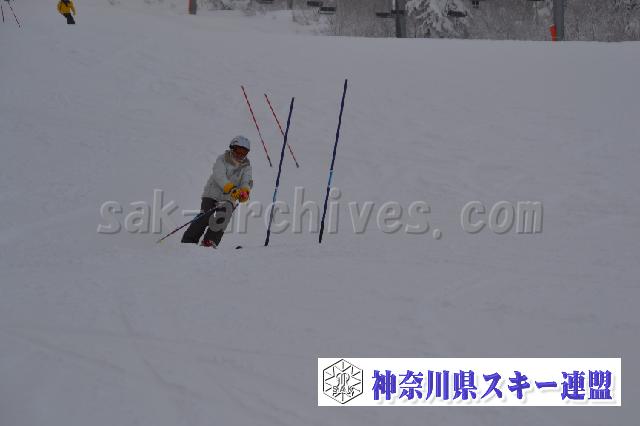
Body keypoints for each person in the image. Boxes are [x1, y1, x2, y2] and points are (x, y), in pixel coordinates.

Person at [181, 136, 253, 248]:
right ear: (232, 148)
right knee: (205, 216)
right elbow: (219, 175)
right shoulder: (222, 159)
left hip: (229, 198)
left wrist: (245, 191)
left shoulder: (246, 166)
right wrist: (231, 188)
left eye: (244, 152)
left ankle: (210, 242)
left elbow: (246, 180)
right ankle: (188, 240)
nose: (240, 155)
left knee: (223, 216)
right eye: (239, 151)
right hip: (212, 193)